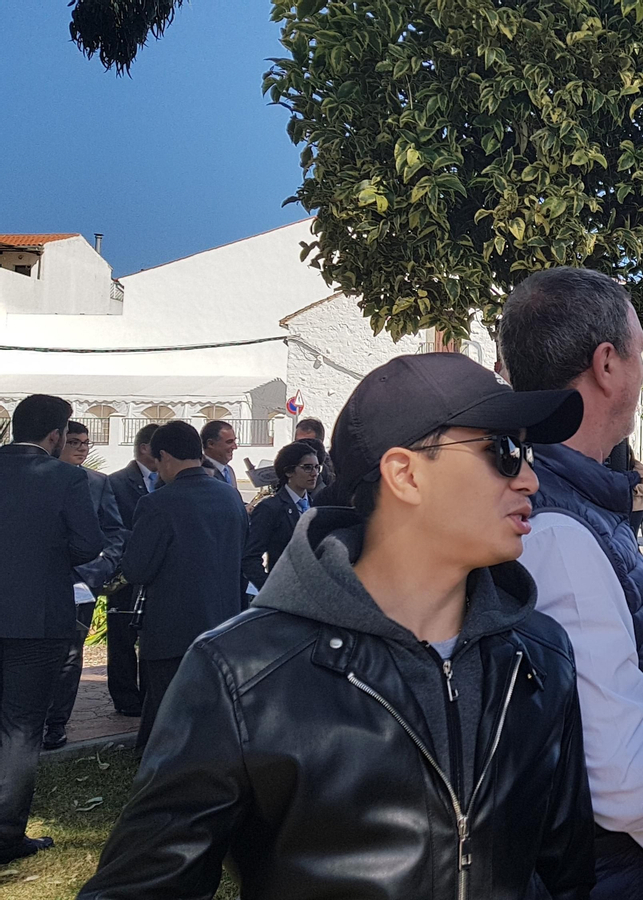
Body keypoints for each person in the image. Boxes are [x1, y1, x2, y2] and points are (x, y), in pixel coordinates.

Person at [81, 352, 594, 900]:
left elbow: (565, 874)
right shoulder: (243, 673)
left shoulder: (539, 658)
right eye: (504, 452)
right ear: (405, 474)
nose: (532, 480)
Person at [498, 267, 643, 900]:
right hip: (626, 875)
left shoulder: (563, 502)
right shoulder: (560, 531)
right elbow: (619, 779)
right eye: (641, 353)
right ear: (607, 363)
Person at [0, 394, 103, 864]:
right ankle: (5, 836)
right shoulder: (66, 477)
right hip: (38, 619)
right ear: (56, 434)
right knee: (22, 728)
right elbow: (87, 546)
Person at [121, 421, 250, 751]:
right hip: (222, 621)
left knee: (170, 707)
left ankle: (169, 772)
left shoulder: (158, 503)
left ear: (163, 455)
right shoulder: (231, 496)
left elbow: (137, 569)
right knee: (208, 706)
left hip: (171, 626)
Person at [43, 422, 126, 750]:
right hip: (38, 582)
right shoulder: (37, 480)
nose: (81, 448)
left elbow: (115, 532)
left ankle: (56, 722)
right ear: (57, 441)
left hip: (80, 585)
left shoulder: (97, 482)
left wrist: (97, 570)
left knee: (71, 653)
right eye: (74, 441)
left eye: (86, 443)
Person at [103, 422, 161, 716]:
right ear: (145, 449)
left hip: (157, 572)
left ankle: (152, 695)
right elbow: (111, 527)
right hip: (126, 572)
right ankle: (126, 699)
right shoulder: (115, 482)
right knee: (122, 638)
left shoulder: (169, 481)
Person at [242, 441, 321, 594]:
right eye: (307, 467)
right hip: (284, 593)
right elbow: (250, 558)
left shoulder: (316, 506)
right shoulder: (271, 508)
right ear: (289, 471)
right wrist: (272, 591)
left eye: (317, 467)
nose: (314, 473)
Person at [199, 420, 239, 489]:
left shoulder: (229, 471)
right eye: (229, 442)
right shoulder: (201, 472)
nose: (235, 447)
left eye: (234, 441)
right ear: (211, 444)